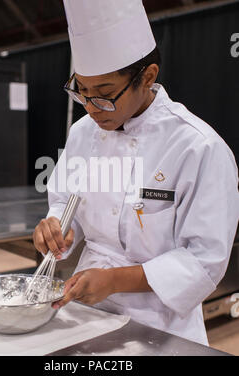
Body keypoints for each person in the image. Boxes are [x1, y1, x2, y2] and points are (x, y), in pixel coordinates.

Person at [33, 0, 239, 346]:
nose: (91, 108)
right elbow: (65, 201)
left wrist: (113, 280)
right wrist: (57, 229)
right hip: (85, 308)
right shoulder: (84, 132)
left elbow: (205, 261)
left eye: (104, 95)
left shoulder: (197, 147)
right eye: (81, 91)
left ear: (148, 77)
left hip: (162, 323)